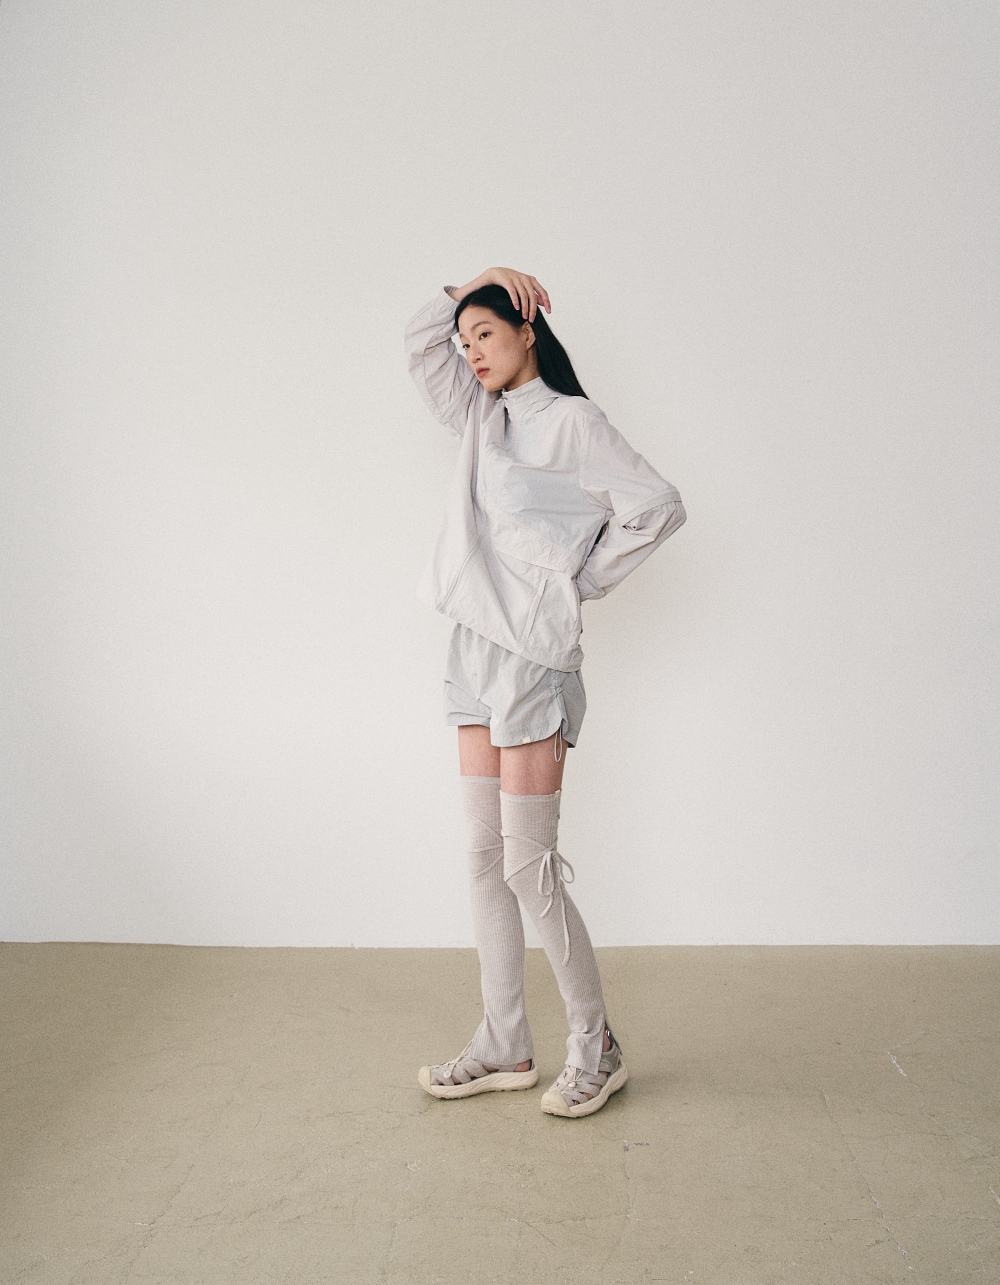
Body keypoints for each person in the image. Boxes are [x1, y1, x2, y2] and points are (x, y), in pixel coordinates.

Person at [405, 267, 686, 1118]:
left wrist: (575, 582)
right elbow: (419, 344)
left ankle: (597, 1044)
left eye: (485, 333)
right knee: (483, 857)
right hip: (471, 650)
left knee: (530, 866)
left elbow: (657, 505)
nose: (470, 352)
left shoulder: (573, 423)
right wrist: (477, 281)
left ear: (527, 332)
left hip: (532, 658)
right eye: (466, 340)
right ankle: (505, 1041)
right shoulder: (479, 416)